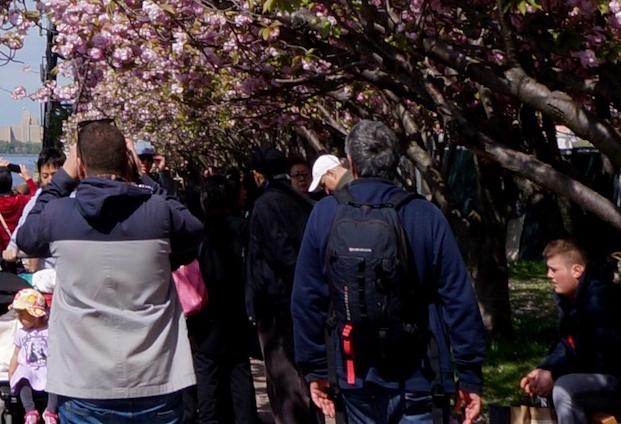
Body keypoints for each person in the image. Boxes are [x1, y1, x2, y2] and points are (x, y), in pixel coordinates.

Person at [292, 121, 487, 424]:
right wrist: (470, 374)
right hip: (420, 375)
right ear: (396, 161)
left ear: (350, 163)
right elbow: (458, 298)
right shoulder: (425, 215)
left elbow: (306, 298)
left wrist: (316, 368)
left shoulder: (325, 214)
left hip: (352, 373)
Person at [15, 118, 206, 424]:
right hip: (156, 376)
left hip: (83, 381)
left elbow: (26, 236)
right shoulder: (158, 212)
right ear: (127, 159)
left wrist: (62, 179)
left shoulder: (59, 215)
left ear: (79, 163)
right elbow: (194, 230)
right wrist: (147, 179)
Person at [518, 238, 621, 424]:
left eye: (554, 270)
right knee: (554, 386)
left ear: (576, 270)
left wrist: (555, 375)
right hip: (617, 380)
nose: (548, 275)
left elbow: (600, 359)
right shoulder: (574, 297)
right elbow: (570, 343)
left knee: (564, 389)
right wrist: (546, 368)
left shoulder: (600, 300)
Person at [250, 146, 322, 424]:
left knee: (286, 380)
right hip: (302, 300)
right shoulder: (303, 201)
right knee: (304, 375)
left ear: (258, 175)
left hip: (277, 303)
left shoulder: (267, 203)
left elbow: (280, 254)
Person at [189, 169, 260, 424]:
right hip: (237, 317)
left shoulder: (197, 232)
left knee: (207, 384)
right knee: (240, 378)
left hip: (204, 319)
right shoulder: (244, 229)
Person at [14, 283, 58, 424]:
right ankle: (30, 411)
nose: (19, 318)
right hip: (29, 368)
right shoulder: (21, 333)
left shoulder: (50, 330)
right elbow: (16, 355)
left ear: (36, 315)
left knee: (56, 378)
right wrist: (11, 375)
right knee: (22, 377)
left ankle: (50, 411)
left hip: (47, 367)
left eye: (23, 314)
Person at [0, 161, 34, 249]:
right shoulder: (21, 199)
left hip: (3, 246)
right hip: (20, 243)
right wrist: (28, 178)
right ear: (11, 182)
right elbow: (36, 196)